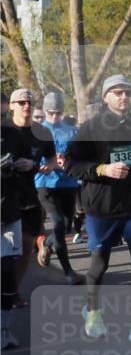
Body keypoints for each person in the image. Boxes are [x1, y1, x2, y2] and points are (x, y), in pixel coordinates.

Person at [65, 75, 131, 343]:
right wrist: (102, 169)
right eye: (117, 92)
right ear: (106, 98)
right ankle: (93, 311)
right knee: (100, 264)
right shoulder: (90, 128)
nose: (123, 97)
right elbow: (70, 164)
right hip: (102, 208)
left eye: (127, 92)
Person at [6, 88, 54, 296]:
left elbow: (51, 159)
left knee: (26, 248)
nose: (26, 106)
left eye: (30, 102)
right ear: (11, 106)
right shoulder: (3, 129)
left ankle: (12, 291)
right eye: (21, 102)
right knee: (5, 252)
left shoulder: (42, 132)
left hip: (28, 196)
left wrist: (38, 165)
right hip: (4, 197)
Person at [34, 92, 83, 285]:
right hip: (45, 184)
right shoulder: (37, 131)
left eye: (58, 112)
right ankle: (69, 272)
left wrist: (68, 161)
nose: (55, 116)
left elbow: (80, 154)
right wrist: (43, 164)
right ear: (45, 111)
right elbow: (30, 157)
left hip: (68, 184)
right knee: (58, 224)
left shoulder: (72, 131)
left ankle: (46, 243)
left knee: (67, 225)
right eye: (51, 112)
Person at [1, 116, 24, 348]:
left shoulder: (13, 136)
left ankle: (3, 327)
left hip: (8, 214)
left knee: (7, 271)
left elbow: (32, 164)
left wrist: (28, 165)